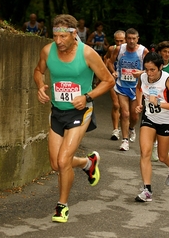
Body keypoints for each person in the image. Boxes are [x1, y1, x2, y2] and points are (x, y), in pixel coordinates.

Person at [33, 14, 115, 223]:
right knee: (55, 164)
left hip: (81, 111)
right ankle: (88, 163)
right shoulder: (47, 51)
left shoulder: (87, 54)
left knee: (63, 160)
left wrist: (87, 96)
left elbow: (108, 81)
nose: (58, 41)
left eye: (62, 37)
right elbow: (38, 70)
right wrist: (40, 85)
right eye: (55, 36)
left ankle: (62, 206)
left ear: (73, 34)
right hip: (58, 111)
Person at [134, 52, 169, 202]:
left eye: (152, 70)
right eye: (147, 69)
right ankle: (147, 190)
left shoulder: (168, 80)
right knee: (145, 152)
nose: (149, 73)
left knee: (162, 157)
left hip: (166, 120)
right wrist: (139, 104)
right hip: (149, 118)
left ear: (160, 67)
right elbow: (139, 89)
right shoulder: (143, 77)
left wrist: (159, 103)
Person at [108, 28, 148, 151]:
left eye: (133, 39)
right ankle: (125, 140)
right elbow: (110, 62)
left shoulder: (143, 51)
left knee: (134, 116)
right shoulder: (119, 49)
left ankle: (131, 128)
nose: (131, 41)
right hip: (122, 86)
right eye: (129, 38)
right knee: (125, 113)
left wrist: (141, 72)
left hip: (137, 87)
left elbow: (151, 68)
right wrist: (114, 72)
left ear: (137, 39)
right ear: (126, 38)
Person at [104, 30, 126, 140]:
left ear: (126, 40)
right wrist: (106, 72)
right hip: (114, 79)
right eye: (117, 41)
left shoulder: (132, 50)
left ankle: (127, 128)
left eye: (121, 41)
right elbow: (107, 59)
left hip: (127, 81)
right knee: (116, 104)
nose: (119, 43)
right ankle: (115, 130)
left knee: (125, 108)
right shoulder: (112, 49)